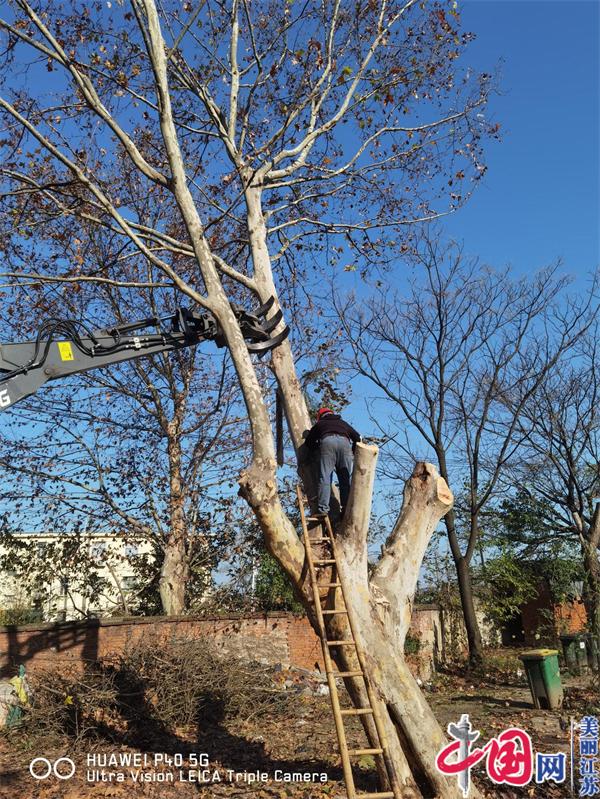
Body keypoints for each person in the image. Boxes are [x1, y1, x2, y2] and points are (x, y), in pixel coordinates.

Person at [304, 407, 361, 518]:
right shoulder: (343, 423)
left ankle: (323, 510)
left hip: (327, 442)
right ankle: (346, 508)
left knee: (325, 478)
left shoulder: (320, 424)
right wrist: (354, 451)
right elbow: (357, 437)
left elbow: (309, 442)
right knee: (345, 479)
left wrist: (317, 448)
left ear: (320, 417)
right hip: (345, 444)